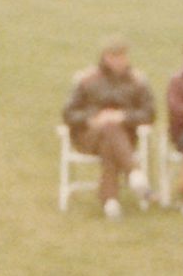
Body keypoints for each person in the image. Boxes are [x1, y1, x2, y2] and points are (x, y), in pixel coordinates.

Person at [63, 35, 157, 221]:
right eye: (114, 56)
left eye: (122, 56)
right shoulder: (87, 79)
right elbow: (69, 113)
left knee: (110, 139)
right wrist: (91, 119)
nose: (119, 60)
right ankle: (134, 173)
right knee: (109, 127)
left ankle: (110, 202)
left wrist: (124, 117)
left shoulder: (137, 81)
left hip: (125, 139)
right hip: (89, 136)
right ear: (105, 57)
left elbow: (149, 114)